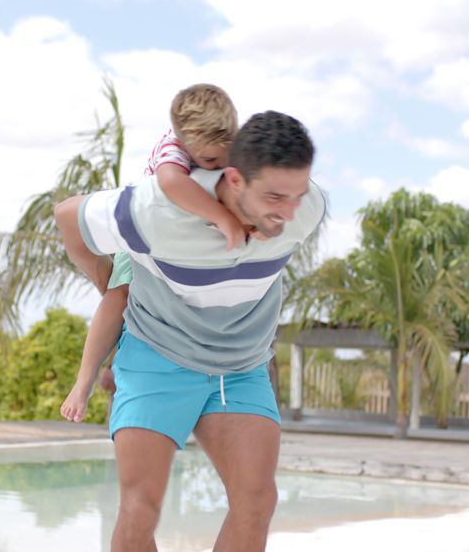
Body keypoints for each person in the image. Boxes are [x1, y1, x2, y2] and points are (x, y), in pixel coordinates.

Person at [54, 110, 327, 550]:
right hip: (157, 356)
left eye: (297, 194)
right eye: (276, 197)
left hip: (240, 367)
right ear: (235, 180)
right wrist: (105, 279)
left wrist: (283, 201)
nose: (290, 211)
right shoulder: (156, 213)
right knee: (140, 509)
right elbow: (68, 216)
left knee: (257, 502)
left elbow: (291, 198)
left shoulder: (306, 208)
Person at [60, 83, 243, 423]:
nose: (221, 162)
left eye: (226, 154)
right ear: (185, 143)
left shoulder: (232, 141)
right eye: (211, 160)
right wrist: (222, 217)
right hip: (151, 235)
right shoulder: (172, 145)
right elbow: (172, 183)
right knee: (119, 296)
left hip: (193, 245)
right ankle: (84, 380)